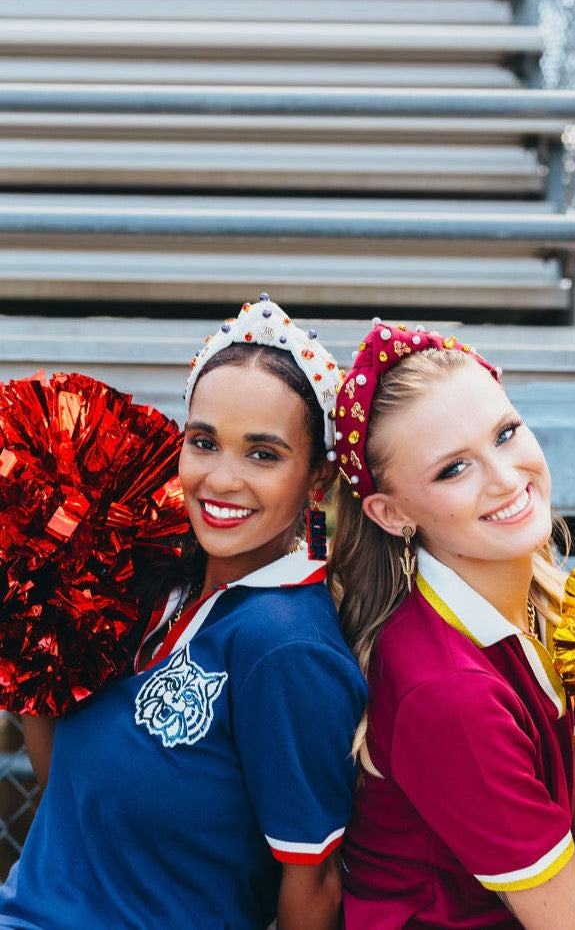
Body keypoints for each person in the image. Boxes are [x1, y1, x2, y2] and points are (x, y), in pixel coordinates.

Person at [328, 318, 575, 930]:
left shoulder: (555, 605)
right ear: (390, 512)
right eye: (454, 469)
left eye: (506, 433)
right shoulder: (447, 693)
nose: (506, 477)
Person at [1, 295, 367, 930]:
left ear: (317, 480)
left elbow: (316, 887)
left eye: (262, 454)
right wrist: (32, 636)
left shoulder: (288, 648)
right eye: (204, 442)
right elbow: (73, 800)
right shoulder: (144, 579)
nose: (221, 479)